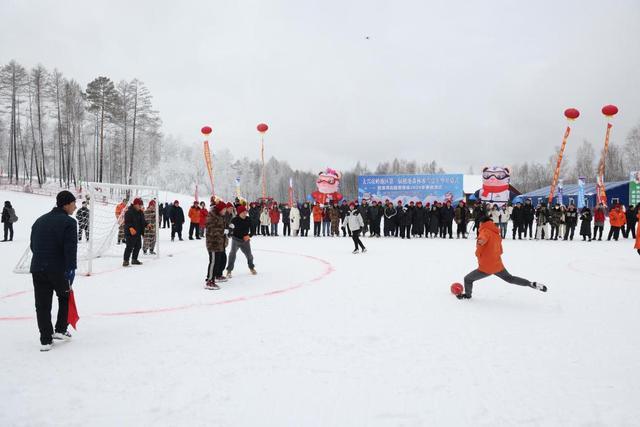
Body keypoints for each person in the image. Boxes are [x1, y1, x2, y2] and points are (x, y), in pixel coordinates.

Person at [456, 214, 547, 300]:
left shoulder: (485, 231)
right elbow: (500, 249)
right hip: (497, 264)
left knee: (467, 279)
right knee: (510, 278)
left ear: (482, 223)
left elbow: (483, 238)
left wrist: (480, 242)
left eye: (480, 223)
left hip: (486, 267)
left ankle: (467, 296)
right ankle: (530, 283)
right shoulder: (496, 233)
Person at [30, 190, 78, 351]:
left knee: (42, 304)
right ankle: (61, 329)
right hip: (58, 269)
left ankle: (45, 340)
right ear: (66, 204)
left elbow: (33, 245)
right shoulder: (69, 222)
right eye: (73, 203)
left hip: (38, 268)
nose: (75, 207)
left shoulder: (39, 221)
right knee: (64, 296)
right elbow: (70, 249)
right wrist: (71, 269)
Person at [226, 205, 257, 278]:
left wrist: (249, 235)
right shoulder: (234, 220)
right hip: (235, 240)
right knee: (232, 255)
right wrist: (230, 233)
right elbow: (229, 228)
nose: (245, 213)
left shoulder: (248, 219)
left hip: (245, 241)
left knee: (249, 255)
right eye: (243, 212)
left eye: (246, 212)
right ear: (239, 213)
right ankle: (229, 270)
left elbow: (253, 230)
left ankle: (251, 267)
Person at [205, 200, 229, 289]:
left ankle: (217, 275)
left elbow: (222, 226)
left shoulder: (221, 216)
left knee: (219, 261)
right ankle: (210, 280)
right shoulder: (211, 216)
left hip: (220, 243)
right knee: (213, 262)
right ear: (220, 209)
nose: (225, 211)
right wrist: (223, 231)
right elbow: (211, 230)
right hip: (213, 243)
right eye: (224, 209)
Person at [122, 198, 150, 267]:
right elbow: (127, 222)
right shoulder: (129, 212)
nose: (140, 207)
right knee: (129, 247)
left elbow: (142, 221)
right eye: (139, 205)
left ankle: (134, 259)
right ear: (135, 204)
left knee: (138, 246)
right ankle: (126, 260)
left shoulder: (140, 212)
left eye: (141, 205)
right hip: (130, 233)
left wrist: (147, 224)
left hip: (138, 233)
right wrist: (130, 228)